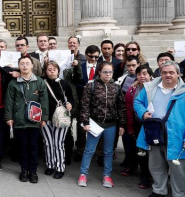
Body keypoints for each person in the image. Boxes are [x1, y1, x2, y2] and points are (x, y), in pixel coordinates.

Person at [134, 61, 185, 197]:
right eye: (164, 72)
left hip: (177, 136)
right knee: (156, 165)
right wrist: (143, 113)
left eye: (171, 72)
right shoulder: (150, 88)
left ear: (178, 74)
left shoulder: (184, 91)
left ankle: (179, 193)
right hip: (155, 132)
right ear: (160, 73)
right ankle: (159, 190)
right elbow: (137, 102)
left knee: (178, 168)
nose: (168, 75)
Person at [78, 62, 125, 188]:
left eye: (110, 72)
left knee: (109, 151)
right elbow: (85, 106)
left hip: (111, 124)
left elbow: (121, 107)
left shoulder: (116, 87)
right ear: (99, 72)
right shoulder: (91, 86)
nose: (108, 74)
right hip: (95, 123)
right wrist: (86, 123)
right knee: (89, 150)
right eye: (105, 72)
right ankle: (83, 174)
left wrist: (122, 125)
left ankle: (107, 176)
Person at [5, 56, 49, 183]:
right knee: (22, 146)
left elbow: (44, 101)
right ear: (19, 66)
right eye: (22, 64)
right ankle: (24, 170)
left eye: (27, 63)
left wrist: (44, 118)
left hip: (35, 120)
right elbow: (9, 102)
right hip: (19, 120)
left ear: (32, 66)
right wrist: (9, 117)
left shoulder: (39, 82)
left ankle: (33, 171)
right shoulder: (13, 83)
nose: (25, 66)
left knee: (34, 146)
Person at [42, 61, 74, 179]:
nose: (52, 71)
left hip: (61, 118)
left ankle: (60, 167)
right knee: (48, 143)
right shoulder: (42, 83)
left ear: (58, 71)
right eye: (49, 69)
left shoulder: (64, 84)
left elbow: (71, 99)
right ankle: (50, 165)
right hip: (46, 118)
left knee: (59, 143)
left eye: (54, 69)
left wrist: (70, 104)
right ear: (45, 71)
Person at [123, 65, 153, 189]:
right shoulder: (133, 89)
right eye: (139, 74)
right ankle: (144, 175)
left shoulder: (156, 87)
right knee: (140, 150)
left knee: (151, 152)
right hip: (138, 123)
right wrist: (130, 126)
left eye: (145, 74)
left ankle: (150, 175)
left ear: (151, 76)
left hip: (153, 124)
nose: (142, 76)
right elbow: (129, 109)